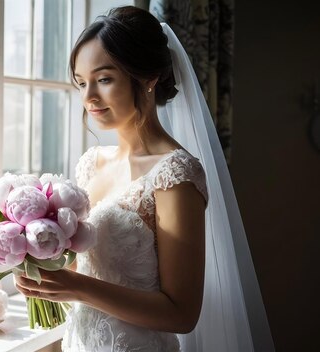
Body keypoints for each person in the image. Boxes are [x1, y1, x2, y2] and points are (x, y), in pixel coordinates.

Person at [15, 6, 274, 352]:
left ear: (148, 77)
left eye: (104, 79)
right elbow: (89, 267)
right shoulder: (90, 164)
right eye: (81, 82)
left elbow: (181, 313)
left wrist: (76, 287)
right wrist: (37, 260)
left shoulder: (175, 175)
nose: (89, 97)